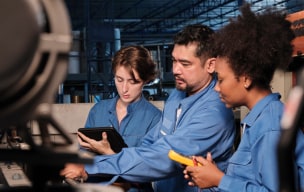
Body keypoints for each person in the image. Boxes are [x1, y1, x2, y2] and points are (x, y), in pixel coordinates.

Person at [60, 24, 236, 192]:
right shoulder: (178, 94)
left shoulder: (214, 113)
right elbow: (151, 144)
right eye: (174, 61)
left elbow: (165, 156)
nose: (175, 70)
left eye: (185, 64)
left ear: (211, 65)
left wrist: (95, 166)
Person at [183, 4, 304, 192]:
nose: (216, 88)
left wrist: (219, 180)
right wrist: (210, 176)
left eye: (221, 79)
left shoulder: (269, 127)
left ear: (246, 78)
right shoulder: (260, 121)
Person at [75, 45, 162, 191]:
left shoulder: (155, 119)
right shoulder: (98, 111)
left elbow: (147, 169)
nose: (124, 88)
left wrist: (107, 153)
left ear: (146, 80)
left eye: (133, 82)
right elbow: (83, 156)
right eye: (119, 79)